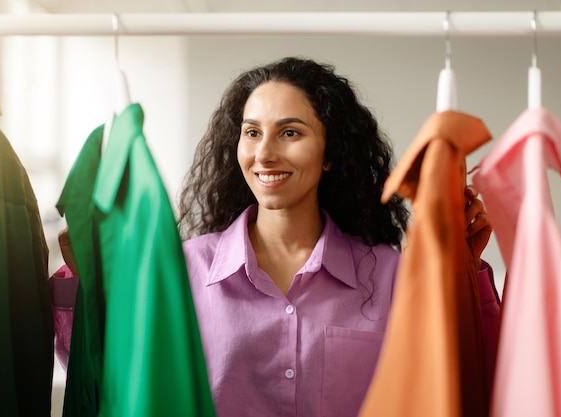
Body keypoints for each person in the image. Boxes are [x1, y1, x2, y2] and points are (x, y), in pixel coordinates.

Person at [57, 57, 497, 417]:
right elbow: (115, 376)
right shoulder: (182, 270)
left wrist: (464, 273)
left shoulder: (389, 276)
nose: (264, 153)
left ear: (330, 154)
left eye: (290, 132)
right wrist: (85, 280)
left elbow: (467, 375)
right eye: (252, 133)